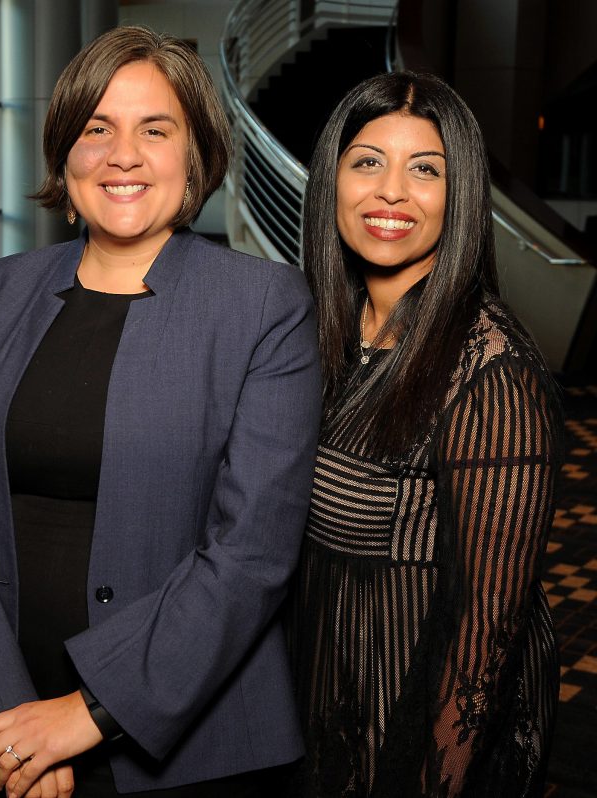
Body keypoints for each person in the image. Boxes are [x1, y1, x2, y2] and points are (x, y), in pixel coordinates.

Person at [0, 25, 321, 798]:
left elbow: (253, 554)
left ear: (194, 152)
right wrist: (12, 722)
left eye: (154, 130)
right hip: (2, 722)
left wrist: (90, 712)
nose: (122, 155)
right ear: (64, 151)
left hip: (194, 748)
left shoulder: (264, 305)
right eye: (96, 129)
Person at [288, 71, 561, 798]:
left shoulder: (491, 374)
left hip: (411, 728)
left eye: (425, 170)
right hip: (324, 689)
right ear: (333, 180)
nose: (391, 193)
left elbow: (486, 638)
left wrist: (436, 780)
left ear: (461, 194)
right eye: (368, 161)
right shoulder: (315, 330)